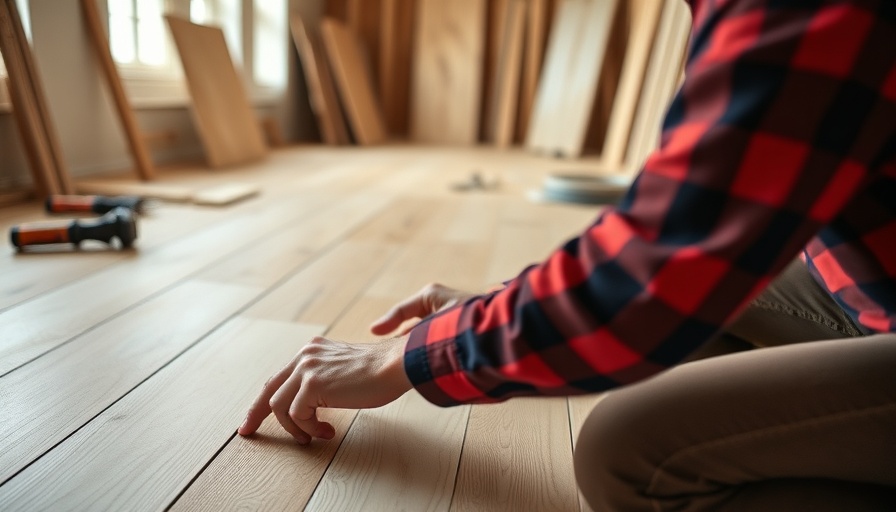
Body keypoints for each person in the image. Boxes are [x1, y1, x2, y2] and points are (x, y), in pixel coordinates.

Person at [238, 0, 896, 509]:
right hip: (866, 291)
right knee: (704, 312)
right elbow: (685, 243)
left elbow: (651, 272)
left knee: (628, 449)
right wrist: (499, 312)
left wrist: (408, 357)